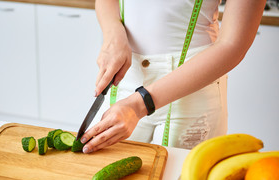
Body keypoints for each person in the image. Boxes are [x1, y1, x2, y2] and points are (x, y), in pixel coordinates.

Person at [80, 0, 266, 153]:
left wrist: (140, 104)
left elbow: (234, 44)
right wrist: (113, 34)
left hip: (191, 90)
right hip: (125, 80)